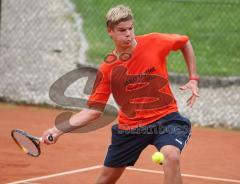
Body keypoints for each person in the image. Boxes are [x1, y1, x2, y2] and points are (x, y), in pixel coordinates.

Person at [42, 4, 199, 184]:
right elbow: (93, 111)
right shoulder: (107, 69)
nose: (128, 34)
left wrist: (194, 78)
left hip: (165, 118)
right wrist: (57, 130)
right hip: (130, 128)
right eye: (122, 30)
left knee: (171, 156)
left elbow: (184, 42)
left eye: (131, 28)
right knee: (105, 180)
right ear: (110, 31)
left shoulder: (154, 41)